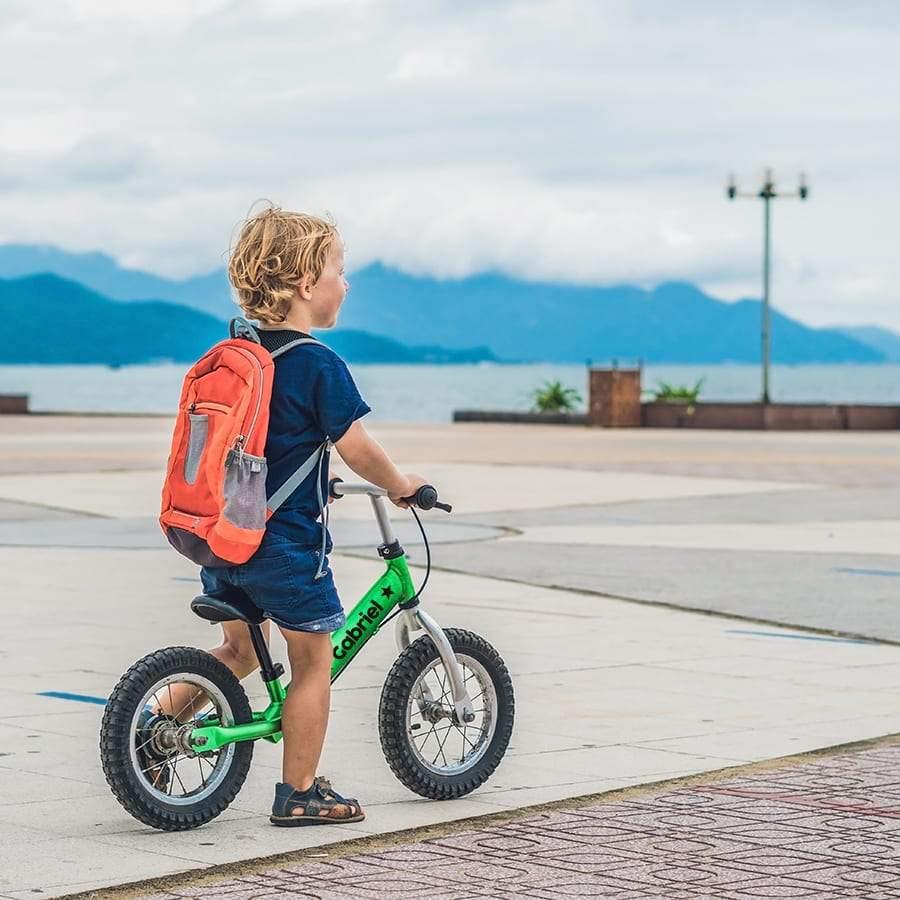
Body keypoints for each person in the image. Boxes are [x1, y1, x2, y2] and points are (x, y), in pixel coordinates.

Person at [167, 206, 427, 826]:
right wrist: (400, 484)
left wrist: (318, 481)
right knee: (312, 660)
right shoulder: (318, 363)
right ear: (308, 283)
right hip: (283, 547)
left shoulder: (240, 353)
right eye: (341, 269)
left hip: (224, 540)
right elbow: (356, 444)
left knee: (236, 650)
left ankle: (153, 730)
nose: (347, 283)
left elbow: (270, 445)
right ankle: (301, 792)